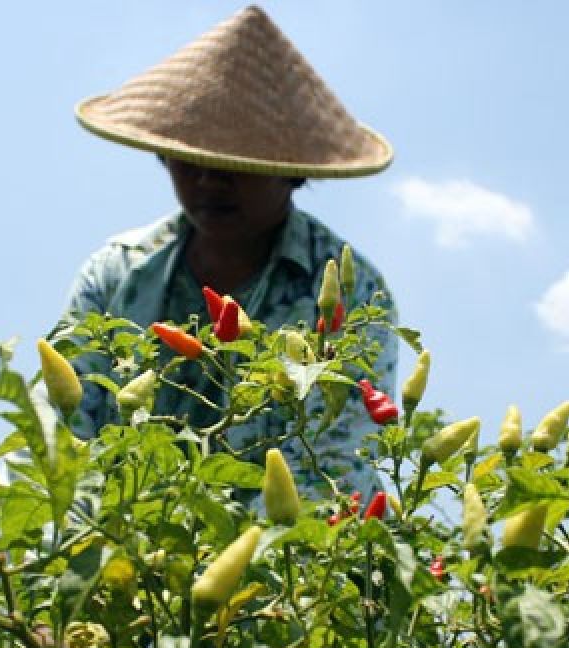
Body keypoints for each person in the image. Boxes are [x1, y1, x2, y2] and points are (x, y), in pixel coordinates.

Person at [61, 5, 397, 499]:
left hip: (283, 565)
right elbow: (66, 417)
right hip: (124, 554)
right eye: (189, 160)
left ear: (290, 168)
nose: (206, 181)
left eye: (233, 165)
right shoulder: (118, 270)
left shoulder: (349, 290)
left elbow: (339, 461)